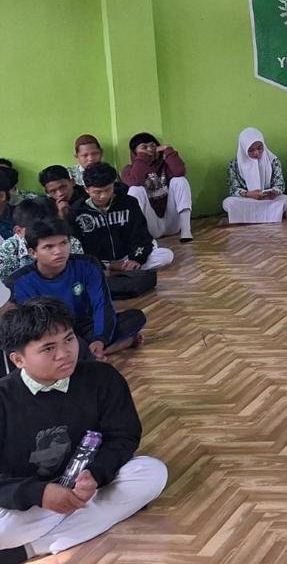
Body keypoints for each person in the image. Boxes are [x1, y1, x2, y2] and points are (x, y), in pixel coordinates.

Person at [0, 297, 167, 559]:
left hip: (84, 488)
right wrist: (39, 493)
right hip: (26, 501)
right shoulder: (4, 399)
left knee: (152, 472)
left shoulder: (103, 378)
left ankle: (29, 549)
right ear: (18, 360)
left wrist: (96, 474)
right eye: (48, 349)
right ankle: (87, 520)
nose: (64, 353)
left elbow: (123, 436)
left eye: (69, 339)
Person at [8, 221, 146, 360]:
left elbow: (101, 304)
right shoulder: (18, 282)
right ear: (33, 253)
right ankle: (117, 345)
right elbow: (30, 327)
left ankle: (88, 353)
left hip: (86, 326)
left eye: (63, 243)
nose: (59, 251)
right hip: (51, 336)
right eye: (49, 247)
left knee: (135, 317)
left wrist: (100, 339)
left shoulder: (88, 264)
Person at [70, 163, 173, 272]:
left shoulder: (129, 203)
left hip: (127, 257)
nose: (103, 195)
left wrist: (136, 259)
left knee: (166, 255)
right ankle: (111, 270)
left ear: (113, 185)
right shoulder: (77, 211)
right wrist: (108, 264)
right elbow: (79, 247)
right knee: (81, 265)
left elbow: (140, 234)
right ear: (86, 189)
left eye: (108, 189)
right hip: (100, 261)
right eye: (97, 192)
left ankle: (124, 270)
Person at [0, 200, 85, 303]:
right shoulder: (7, 251)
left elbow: (80, 282)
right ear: (19, 231)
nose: (57, 250)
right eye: (37, 231)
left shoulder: (71, 243)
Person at [120, 132, 194, 243]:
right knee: (135, 189)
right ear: (134, 152)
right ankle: (138, 237)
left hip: (172, 222)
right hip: (150, 226)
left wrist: (168, 150)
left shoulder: (165, 165)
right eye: (144, 147)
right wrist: (142, 158)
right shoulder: (128, 170)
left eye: (153, 146)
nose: (149, 149)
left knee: (180, 180)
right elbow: (135, 181)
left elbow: (180, 171)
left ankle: (186, 231)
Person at [223, 128, 287, 225]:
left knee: (286, 200)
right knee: (228, 202)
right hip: (247, 199)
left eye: (259, 148)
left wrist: (274, 192)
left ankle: (248, 217)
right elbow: (233, 188)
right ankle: (274, 214)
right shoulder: (234, 164)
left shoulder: (273, 161)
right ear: (243, 148)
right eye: (251, 150)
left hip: (268, 199)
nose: (256, 153)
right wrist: (248, 194)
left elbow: (280, 185)